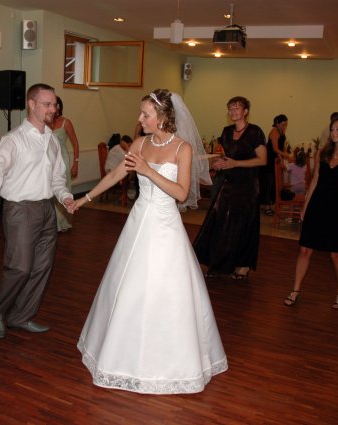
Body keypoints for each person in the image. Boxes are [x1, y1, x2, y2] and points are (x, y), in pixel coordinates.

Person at [71, 89, 225, 394]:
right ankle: (119, 353)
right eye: (141, 113)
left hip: (165, 226)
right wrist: (84, 199)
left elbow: (181, 193)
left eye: (146, 114)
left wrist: (147, 171)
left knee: (166, 291)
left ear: (163, 117)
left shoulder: (182, 149)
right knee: (128, 286)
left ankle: (169, 361)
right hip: (138, 222)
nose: (140, 119)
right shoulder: (140, 144)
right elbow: (115, 175)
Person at [0, 83, 74, 339]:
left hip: (47, 209)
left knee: (42, 268)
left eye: (54, 104)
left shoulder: (52, 140)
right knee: (20, 268)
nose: (53, 109)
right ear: (31, 104)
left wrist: (65, 197)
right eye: (47, 104)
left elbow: (57, 178)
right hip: (20, 210)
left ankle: (21, 317)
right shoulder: (13, 139)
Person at [283, 115, 338, 308]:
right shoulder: (322, 153)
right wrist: (305, 206)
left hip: (337, 209)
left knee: (336, 254)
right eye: (332, 129)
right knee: (304, 250)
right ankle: (295, 289)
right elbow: (315, 180)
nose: (334, 133)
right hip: (316, 205)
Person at [193, 96, 267, 280]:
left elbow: (262, 160)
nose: (233, 112)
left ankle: (243, 266)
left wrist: (236, 163)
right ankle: (215, 263)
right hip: (228, 183)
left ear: (245, 111)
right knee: (219, 221)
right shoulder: (226, 132)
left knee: (243, 225)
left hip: (247, 186)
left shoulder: (255, 132)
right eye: (230, 108)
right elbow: (228, 158)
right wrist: (220, 163)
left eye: (237, 108)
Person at [50, 96, 80, 232]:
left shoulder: (65, 122)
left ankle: (62, 223)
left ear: (59, 107)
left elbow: (75, 144)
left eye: (55, 105)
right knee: (49, 190)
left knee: (63, 187)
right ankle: (50, 222)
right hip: (48, 160)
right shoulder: (45, 122)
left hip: (62, 158)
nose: (53, 108)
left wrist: (76, 163)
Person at [261, 114, 291, 215]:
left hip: (275, 160)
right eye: (283, 124)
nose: (285, 126)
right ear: (277, 123)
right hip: (269, 161)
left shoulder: (281, 131)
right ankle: (267, 207)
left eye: (286, 124)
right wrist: (286, 155)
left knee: (274, 184)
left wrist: (282, 158)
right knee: (269, 184)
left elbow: (281, 147)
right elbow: (275, 149)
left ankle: (272, 205)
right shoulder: (274, 132)